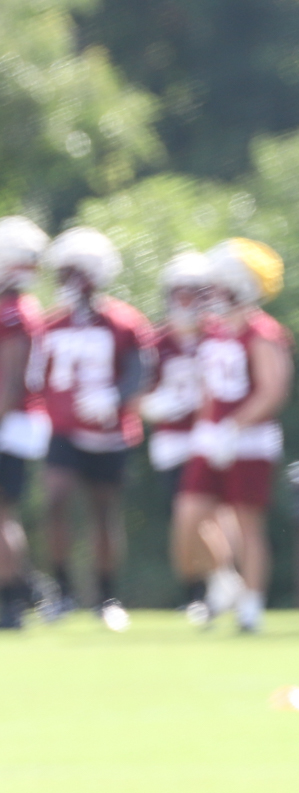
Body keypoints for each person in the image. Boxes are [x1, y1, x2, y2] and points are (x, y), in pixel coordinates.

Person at [31, 227, 153, 632]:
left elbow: (141, 371)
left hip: (108, 432)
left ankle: (106, 596)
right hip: (63, 429)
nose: (66, 283)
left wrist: (115, 399)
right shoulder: (50, 324)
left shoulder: (122, 321)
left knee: (103, 514)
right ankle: (62, 591)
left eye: (73, 273)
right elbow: (35, 378)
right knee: (56, 501)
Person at [172, 238, 292, 632]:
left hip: (249, 440)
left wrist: (233, 427)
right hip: (213, 437)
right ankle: (225, 580)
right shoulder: (214, 330)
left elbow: (273, 390)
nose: (211, 292)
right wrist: (206, 429)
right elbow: (209, 389)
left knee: (247, 524)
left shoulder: (262, 332)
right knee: (188, 520)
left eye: (219, 284)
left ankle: (251, 607)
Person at [0, 217, 51, 629]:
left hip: (11, 421)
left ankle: (11, 600)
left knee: (3, 515)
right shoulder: (21, 307)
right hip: (19, 421)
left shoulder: (12, 312)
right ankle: (25, 588)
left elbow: (9, 383)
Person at [140, 252, 210, 502]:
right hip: (172, 438)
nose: (185, 302)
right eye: (179, 295)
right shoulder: (156, 341)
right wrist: (150, 406)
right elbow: (137, 392)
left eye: (191, 294)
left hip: (214, 435)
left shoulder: (218, 336)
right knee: (181, 512)